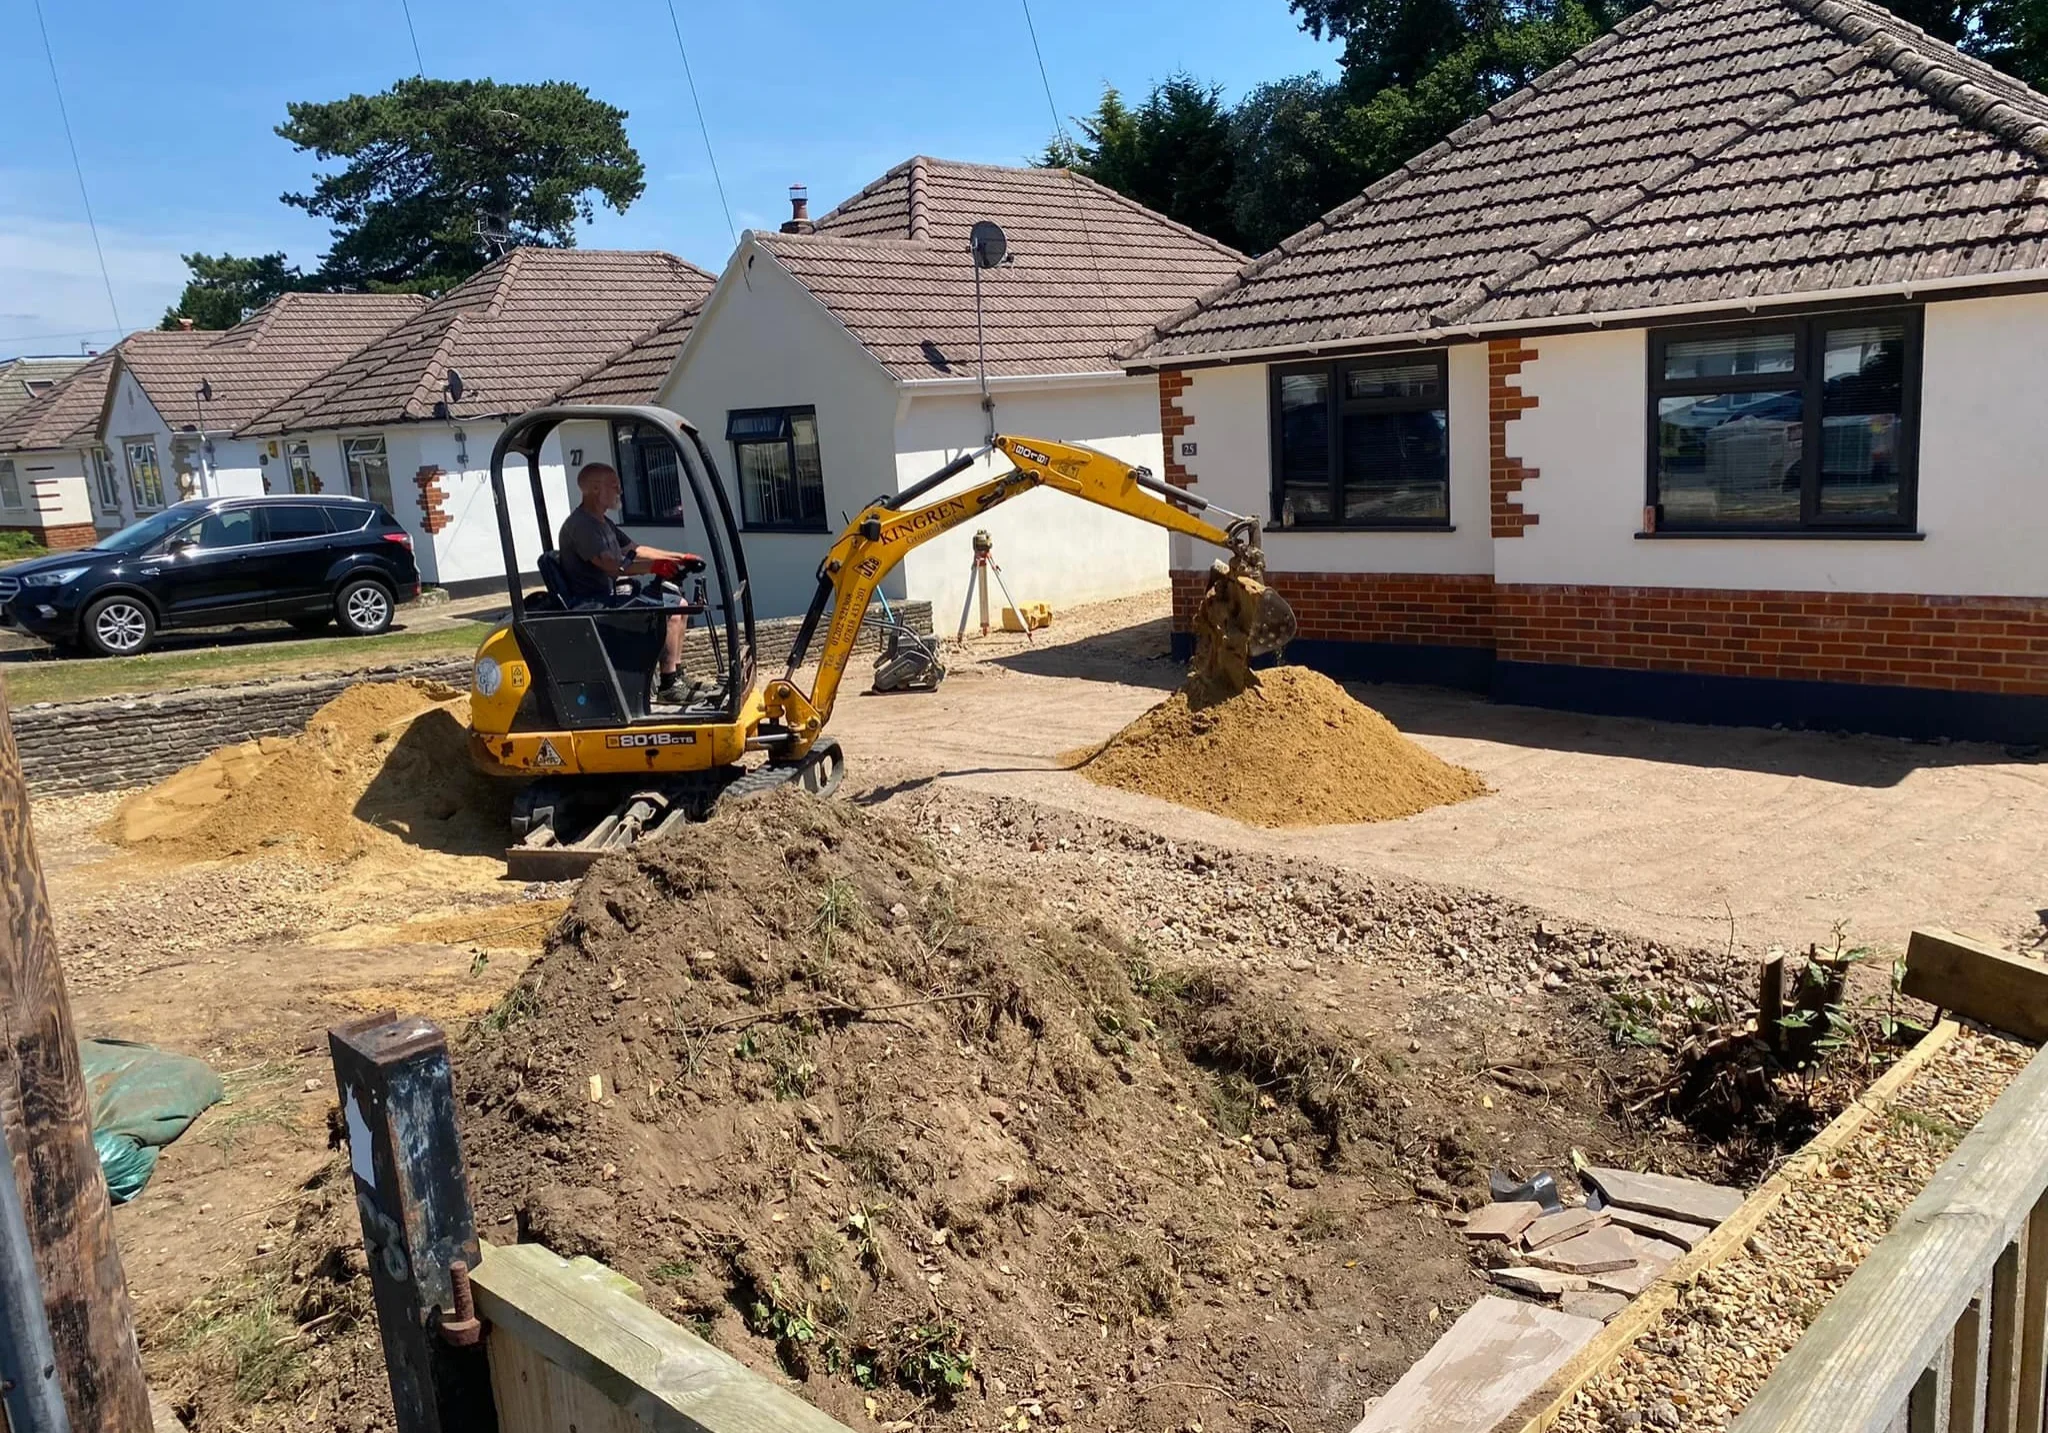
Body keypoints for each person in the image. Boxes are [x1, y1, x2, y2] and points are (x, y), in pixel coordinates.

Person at [558, 462, 693, 699]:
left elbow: (635, 550)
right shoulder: (581, 526)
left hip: (608, 599)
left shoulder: (603, 522)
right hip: (593, 605)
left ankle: (676, 675)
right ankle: (669, 685)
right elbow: (611, 566)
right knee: (671, 610)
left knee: (679, 603)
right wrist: (654, 567)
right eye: (614, 486)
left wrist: (680, 557)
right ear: (595, 489)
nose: (620, 491)